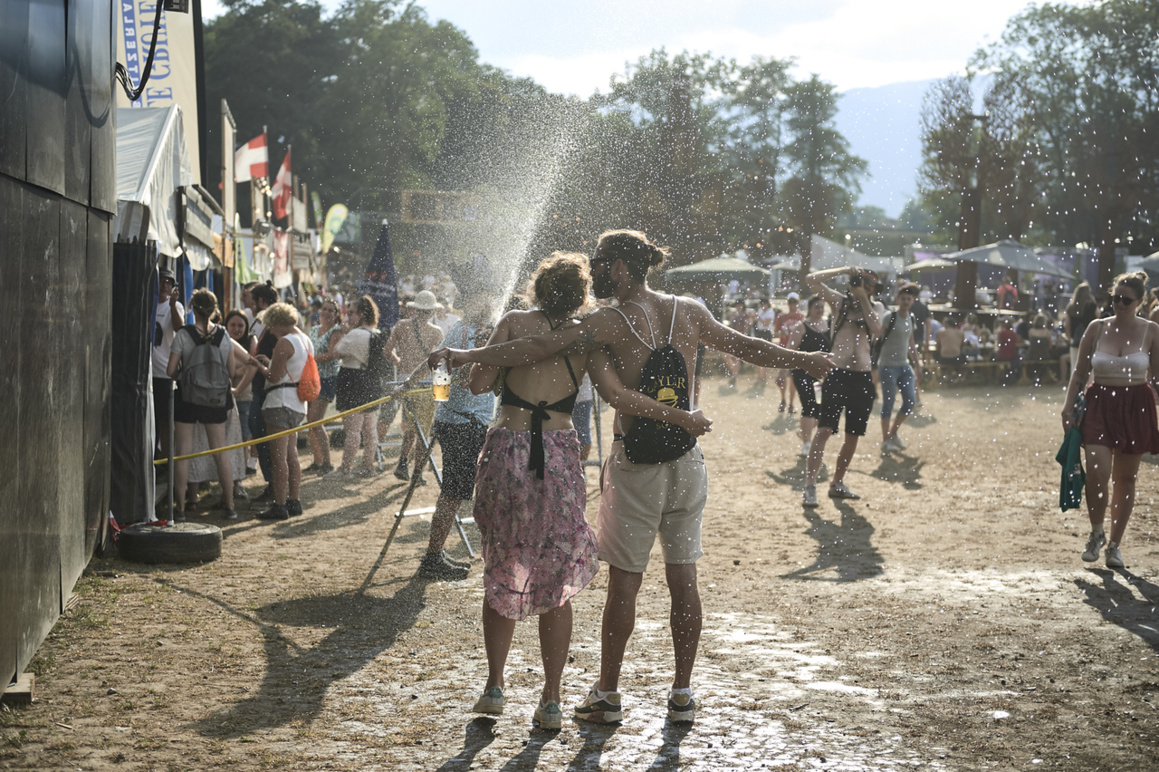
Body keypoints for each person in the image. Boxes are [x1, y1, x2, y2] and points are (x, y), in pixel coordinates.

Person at [430, 229, 833, 724]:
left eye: (602, 261)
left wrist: (469, 356)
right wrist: (804, 361)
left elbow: (540, 346)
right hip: (687, 460)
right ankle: (681, 693)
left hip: (636, 462)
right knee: (684, 578)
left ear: (621, 266)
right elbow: (745, 345)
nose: (596, 270)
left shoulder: (607, 322)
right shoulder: (688, 308)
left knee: (623, 583)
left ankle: (606, 695)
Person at [463, 252, 712, 730]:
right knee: (554, 578)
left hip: (507, 448)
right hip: (558, 452)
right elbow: (614, 395)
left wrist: (479, 351)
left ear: (537, 287)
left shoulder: (513, 322)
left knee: (503, 562)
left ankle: (495, 685)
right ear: (580, 293)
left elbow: (478, 385)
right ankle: (552, 699)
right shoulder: (587, 339)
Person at [1062, 272, 1159, 568]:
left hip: (1136, 406)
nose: (1117, 304)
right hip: (1099, 403)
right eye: (1114, 298)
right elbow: (1079, 373)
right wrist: (1067, 406)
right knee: (1096, 472)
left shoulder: (1151, 330)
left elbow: (1155, 379)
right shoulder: (1097, 327)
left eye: (1125, 300)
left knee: (1126, 479)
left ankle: (1115, 545)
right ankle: (1096, 532)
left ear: (1140, 302)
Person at [414, 295, 497, 583]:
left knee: (455, 492)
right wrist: (449, 390)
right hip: (463, 423)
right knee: (452, 493)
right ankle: (432, 558)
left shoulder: (468, 329)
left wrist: (445, 395)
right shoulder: (468, 332)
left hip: (460, 421)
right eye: (487, 301)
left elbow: (438, 363)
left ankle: (435, 555)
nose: (490, 305)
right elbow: (441, 366)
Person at [800, 268, 881, 507]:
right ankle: (810, 485)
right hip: (837, 374)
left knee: (853, 434)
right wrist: (846, 270)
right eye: (861, 283)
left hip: (863, 378)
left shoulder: (877, 307)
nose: (863, 287)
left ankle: (837, 482)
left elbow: (876, 328)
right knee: (824, 430)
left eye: (868, 285)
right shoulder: (840, 302)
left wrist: (863, 297)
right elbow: (811, 280)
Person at [166, 289, 237, 521]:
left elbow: (170, 371)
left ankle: (181, 509)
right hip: (216, 399)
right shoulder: (224, 335)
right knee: (220, 450)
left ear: (192, 308)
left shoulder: (184, 335)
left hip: (187, 398)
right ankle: (229, 505)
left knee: (183, 452)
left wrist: (185, 374)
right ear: (215, 309)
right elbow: (232, 371)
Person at [253, 302, 313, 520]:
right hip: (298, 403)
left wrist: (260, 366)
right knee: (292, 455)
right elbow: (291, 369)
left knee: (278, 458)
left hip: (279, 401)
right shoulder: (306, 340)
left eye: (270, 325)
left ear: (279, 322)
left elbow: (274, 377)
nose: (269, 330)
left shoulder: (284, 342)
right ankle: (294, 500)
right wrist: (271, 363)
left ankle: (279, 504)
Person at [388, 290, 445, 484]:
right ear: (431, 311)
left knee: (411, 428)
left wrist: (400, 364)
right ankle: (417, 472)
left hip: (404, 383)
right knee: (423, 430)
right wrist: (442, 394)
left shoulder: (401, 326)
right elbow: (441, 365)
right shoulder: (436, 332)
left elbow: (387, 351)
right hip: (424, 386)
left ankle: (403, 462)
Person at [877, 283, 920, 455]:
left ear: (913, 301)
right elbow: (878, 337)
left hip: (904, 366)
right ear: (898, 299)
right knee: (888, 403)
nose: (905, 301)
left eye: (909, 299)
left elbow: (911, 344)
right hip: (887, 366)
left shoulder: (911, 318)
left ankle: (893, 433)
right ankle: (885, 440)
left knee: (910, 402)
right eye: (903, 298)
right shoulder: (889, 317)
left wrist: (918, 364)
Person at [786, 295, 831, 457]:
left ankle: (803, 431)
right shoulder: (801, 327)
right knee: (808, 403)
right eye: (816, 307)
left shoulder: (829, 325)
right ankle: (806, 444)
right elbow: (789, 350)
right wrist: (781, 371)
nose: (819, 310)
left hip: (821, 375)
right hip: (802, 373)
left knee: (819, 409)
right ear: (809, 309)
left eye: (822, 307)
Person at [248, 282, 280, 496]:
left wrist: (263, 363)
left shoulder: (273, 326)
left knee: (266, 438)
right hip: (261, 388)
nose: (249, 307)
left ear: (260, 302)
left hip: (268, 389)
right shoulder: (264, 324)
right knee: (261, 435)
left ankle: (273, 484)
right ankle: (272, 483)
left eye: (251, 302)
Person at [306, 299, 344, 473]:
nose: (327, 312)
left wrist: (311, 360)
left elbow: (332, 355)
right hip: (311, 378)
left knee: (316, 420)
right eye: (325, 309)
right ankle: (317, 460)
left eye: (331, 310)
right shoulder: (314, 330)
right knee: (310, 421)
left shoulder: (336, 331)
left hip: (327, 379)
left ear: (336, 314)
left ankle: (327, 462)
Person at [153, 267, 185, 463]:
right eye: (162, 280)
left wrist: (173, 305)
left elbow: (179, 328)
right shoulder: (148, 302)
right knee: (151, 421)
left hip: (165, 374)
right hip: (148, 373)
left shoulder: (176, 307)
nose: (165, 284)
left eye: (168, 282)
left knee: (166, 422)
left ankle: (165, 463)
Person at [773, 293, 804, 413]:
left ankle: (791, 403)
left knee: (793, 379)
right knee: (782, 378)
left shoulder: (802, 317)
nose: (792, 305)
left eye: (794, 302)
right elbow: (775, 333)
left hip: (796, 351)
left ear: (798, 303)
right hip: (783, 350)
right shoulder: (781, 317)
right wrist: (781, 333)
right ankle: (783, 400)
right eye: (790, 302)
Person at [1065, 282, 1097, 378]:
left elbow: (1067, 324)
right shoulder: (1091, 306)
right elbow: (1099, 318)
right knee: (1089, 367)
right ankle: (1088, 388)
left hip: (1075, 341)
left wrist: (1069, 337)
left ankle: (1076, 389)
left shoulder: (1071, 308)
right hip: (1089, 341)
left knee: (1075, 367)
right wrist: (1094, 301)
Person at [723, 300, 750, 388]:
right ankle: (734, 373)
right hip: (733, 338)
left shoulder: (745, 315)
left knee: (737, 358)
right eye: (737, 305)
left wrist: (744, 338)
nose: (738, 306)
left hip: (740, 338)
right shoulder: (734, 314)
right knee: (727, 356)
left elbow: (746, 327)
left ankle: (734, 376)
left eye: (740, 305)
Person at [752, 298, 777, 389]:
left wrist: (758, 317)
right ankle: (759, 376)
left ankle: (764, 377)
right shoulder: (760, 310)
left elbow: (766, 324)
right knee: (758, 355)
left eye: (764, 304)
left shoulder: (770, 312)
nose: (762, 306)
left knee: (765, 356)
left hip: (766, 333)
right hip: (759, 332)